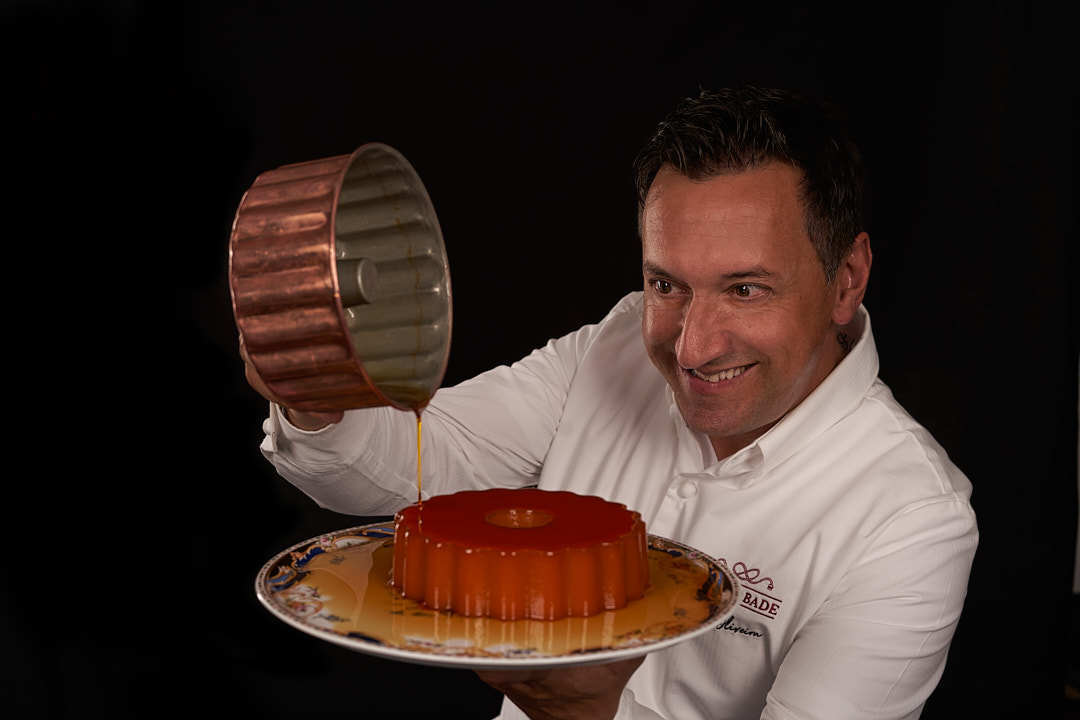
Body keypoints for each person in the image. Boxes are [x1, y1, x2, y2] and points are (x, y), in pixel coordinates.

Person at [243, 86, 978, 720]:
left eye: (745, 289)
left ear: (847, 279)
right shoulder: (617, 344)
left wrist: (587, 714)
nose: (692, 348)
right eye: (667, 284)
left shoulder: (911, 520)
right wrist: (317, 392)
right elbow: (405, 470)